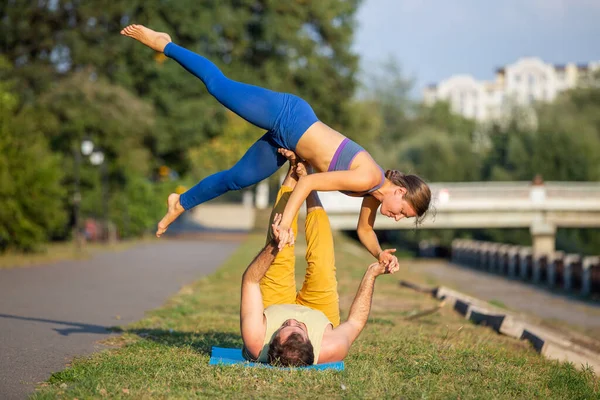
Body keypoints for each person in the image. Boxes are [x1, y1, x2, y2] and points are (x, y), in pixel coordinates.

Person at [120, 24, 431, 269]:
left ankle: (180, 202)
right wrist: (285, 222)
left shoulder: (374, 193)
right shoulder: (368, 178)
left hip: (288, 143)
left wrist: (380, 254)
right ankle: (166, 44)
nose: (398, 217)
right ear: (400, 192)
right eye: (403, 212)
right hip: (288, 115)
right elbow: (309, 182)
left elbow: (364, 231)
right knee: (218, 86)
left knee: (236, 179)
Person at [240, 151, 391, 366]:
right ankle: (308, 177)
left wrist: (274, 245)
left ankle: (294, 168)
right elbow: (356, 322)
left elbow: (250, 280)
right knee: (322, 262)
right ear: (312, 341)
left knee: (280, 254)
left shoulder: (256, 340)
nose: (294, 319)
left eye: (285, 325)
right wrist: (371, 274)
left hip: (275, 303)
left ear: (272, 339)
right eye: (299, 326)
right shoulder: (331, 347)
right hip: (320, 312)